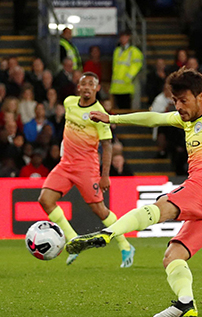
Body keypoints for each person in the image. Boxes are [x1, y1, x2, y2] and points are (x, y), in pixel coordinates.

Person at [70, 68, 202, 317]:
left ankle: (108, 233)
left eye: (183, 100)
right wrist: (113, 119)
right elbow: (153, 119)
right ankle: (186, 304)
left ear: (201, 97)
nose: (178, 106)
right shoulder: (186, 118)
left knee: (163, 204)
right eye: (175, 100)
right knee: (173, 255)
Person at [38, 72, 135, 268]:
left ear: (97, 88)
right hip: (66, 164)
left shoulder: (99, 114)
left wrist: (104, 175)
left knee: (99, 210)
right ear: (79, 87)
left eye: (92, 84)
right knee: (45, 200)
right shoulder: (69, 103)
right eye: (84, 84)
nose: (87, 87)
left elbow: (107, 145)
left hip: (86, 167)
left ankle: (125, 246)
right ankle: (74, 240)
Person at [110, 31, 143, 110]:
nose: (123, 39)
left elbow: (136, 65)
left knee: (127, 109)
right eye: (121, 37)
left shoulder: (134, 51)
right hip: (116, 86)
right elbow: (115, 67)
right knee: (118, 110)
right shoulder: (117, 51)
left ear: (129, 37)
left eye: (125, 36)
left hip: (127, 85)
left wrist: (128, 77)